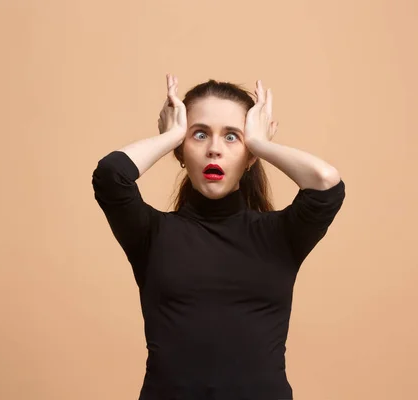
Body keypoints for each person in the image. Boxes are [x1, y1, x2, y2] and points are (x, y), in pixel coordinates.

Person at [92, 74, 346, 400]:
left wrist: (259, 144)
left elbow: (325, 182)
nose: (214, 149)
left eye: (231, 137)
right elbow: (111, 176)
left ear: (250, 155)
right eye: (199, 135)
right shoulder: (151, 234)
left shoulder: (281, 235)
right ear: (181, 151)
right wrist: (171, 136)